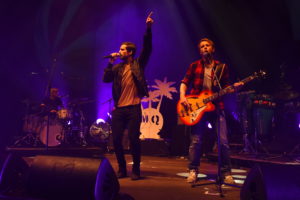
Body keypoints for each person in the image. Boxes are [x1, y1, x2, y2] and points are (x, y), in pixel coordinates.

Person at [179, 38, 243, 184]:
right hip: (197, 107)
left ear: (212, 49)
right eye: (202, 46)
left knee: (223, 141)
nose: (205, 48)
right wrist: (183, 97)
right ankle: (193, 170)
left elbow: (225, 87)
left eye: (207, 45)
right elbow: (184, 82)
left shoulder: (221, 67)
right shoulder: (194, 66)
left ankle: (226, 173)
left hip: (216, 106)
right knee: (196, 140)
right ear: (199, 50)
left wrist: (234, 88)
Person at [103, 12, 154, 180]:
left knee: (133, 139)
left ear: (130, 52)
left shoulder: (138, 64)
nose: (120, 51)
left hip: (133, 108)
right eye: (120, 49)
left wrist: (148, 29)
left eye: (123, 49)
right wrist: (110, 62)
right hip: (119, 109)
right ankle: (122, 169)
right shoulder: (117, 68)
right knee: (116, 140)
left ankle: (136, 170)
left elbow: (147, 49)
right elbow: (105, 79)